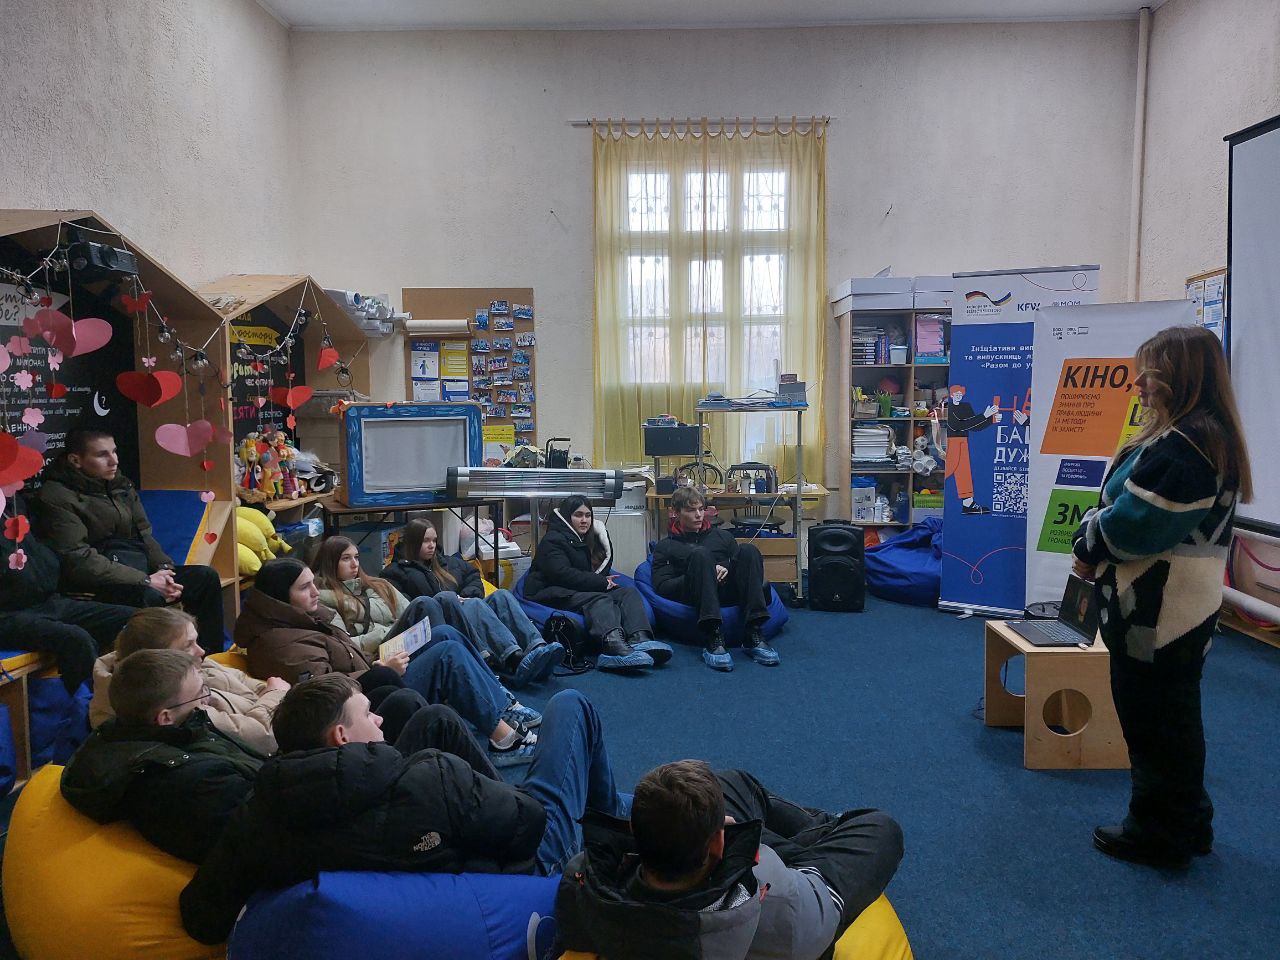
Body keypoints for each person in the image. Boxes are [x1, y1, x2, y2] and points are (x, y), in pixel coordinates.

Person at [179, 676, 628, 944]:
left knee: (436, 719)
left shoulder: (258, 814)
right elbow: (530, 823)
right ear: (340, 737)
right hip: (520, 874)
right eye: (367, 714)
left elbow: (202, 917)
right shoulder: (427, 780)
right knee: (570, 706)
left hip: (427, 857)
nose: (379, 720)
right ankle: (610, 822)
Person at [1072, 325, 1251, 870]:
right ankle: (1187, 822)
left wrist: (1086, 540)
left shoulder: (1186, 446)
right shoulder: (1198, 436)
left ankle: (1157, 835)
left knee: (1154, 722)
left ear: (1176, 376)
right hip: (1172, 608)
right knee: (1173, 719)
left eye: (1147, 372)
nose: (1138, 384)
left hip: (1159, 611)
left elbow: (1134, 525)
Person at [555, 759, 904, 960]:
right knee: (881, 827)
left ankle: (814, 830)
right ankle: (826, 828)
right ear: (719, 843)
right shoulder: (775, 896)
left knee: (731, 783)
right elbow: (817, 907)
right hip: (800, 887)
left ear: (633, 830)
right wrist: (751, 844)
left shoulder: (583, 880)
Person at [235, 558, 538, 767]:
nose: (315, 592)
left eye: (313, 583)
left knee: (442, 631)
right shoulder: (281, 642)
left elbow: (345, 653)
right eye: (304, 588)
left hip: (370, 669)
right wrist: (381, 669)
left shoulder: (303, 619)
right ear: (280, 597)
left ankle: (502, 704)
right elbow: (323, 696)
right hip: (367, 694)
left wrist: (377, 662)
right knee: (447, 651)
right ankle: (503, 739)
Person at [61, 649, 267, 863]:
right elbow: (265, 834)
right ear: (165, 717)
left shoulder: (121, 732)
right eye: (200, 693)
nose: (208, 699)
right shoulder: (193, 781)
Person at [31, 428, 225, 650]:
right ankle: (156, 667)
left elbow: (144, 533)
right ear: (76, 460)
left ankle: (207, 659)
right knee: (149, 597)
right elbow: (78, 559)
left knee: (205, 578)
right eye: (102, 455)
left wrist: (165, 571)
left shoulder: (120, 485)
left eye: (114, 451)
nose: (113, 460)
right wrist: (145, 580)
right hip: (93, 583)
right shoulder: (56, 496)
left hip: (135, 568)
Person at [382, 519, 565, 686]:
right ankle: (514, 659)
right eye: (425, 541)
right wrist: (455, 600)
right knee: (467, 603)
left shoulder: (447, 561)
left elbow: (473, 576)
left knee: (501, 595)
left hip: (466, 609)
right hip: (439, 623)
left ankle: (538, 648)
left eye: (434, 540)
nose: (432, 545)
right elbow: (408, 609)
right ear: (413, 542)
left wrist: (466, 595)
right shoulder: (395, 572)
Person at [90, 607, 291, 754]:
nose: (201, 651)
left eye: (196, 641)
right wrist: (275, 695)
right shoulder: (169, 702)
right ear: (157, 659)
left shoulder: (195, 666)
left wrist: (272, 694)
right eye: (188, 645)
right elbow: (263, 738)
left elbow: (248, 682)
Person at [524, 495, 668, 672]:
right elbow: (560, 574)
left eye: (588, 515)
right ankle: (612, 646)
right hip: (550, 591)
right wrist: (600, 583)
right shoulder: (553, 540)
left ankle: (640, 639)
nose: (584, 520)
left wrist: (600, 581)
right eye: (578, 515)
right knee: (600, 599)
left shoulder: (584, 538)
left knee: (627, 592)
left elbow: (594, 568)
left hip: (574, 588)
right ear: (567, 517)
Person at [651, 487, 780, 671]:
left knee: (748, 550)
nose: (698, 515)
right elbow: (662, 586)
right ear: (676, 513)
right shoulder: (666, 546)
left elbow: (741, 566)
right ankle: (713, 635)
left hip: (727, 592)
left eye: (701, 509)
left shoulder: (722, 536)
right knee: (701, 555)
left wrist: (725, 568)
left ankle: (753, 632)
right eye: (691, 510)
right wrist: (701, 573)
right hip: (696, 596)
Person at [0, 528, 134, 693]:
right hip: (7, 615)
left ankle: (138, 696)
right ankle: (92, 705)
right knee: (76, 640)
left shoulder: (13, 513)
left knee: (135, 619)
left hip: (47, 601)